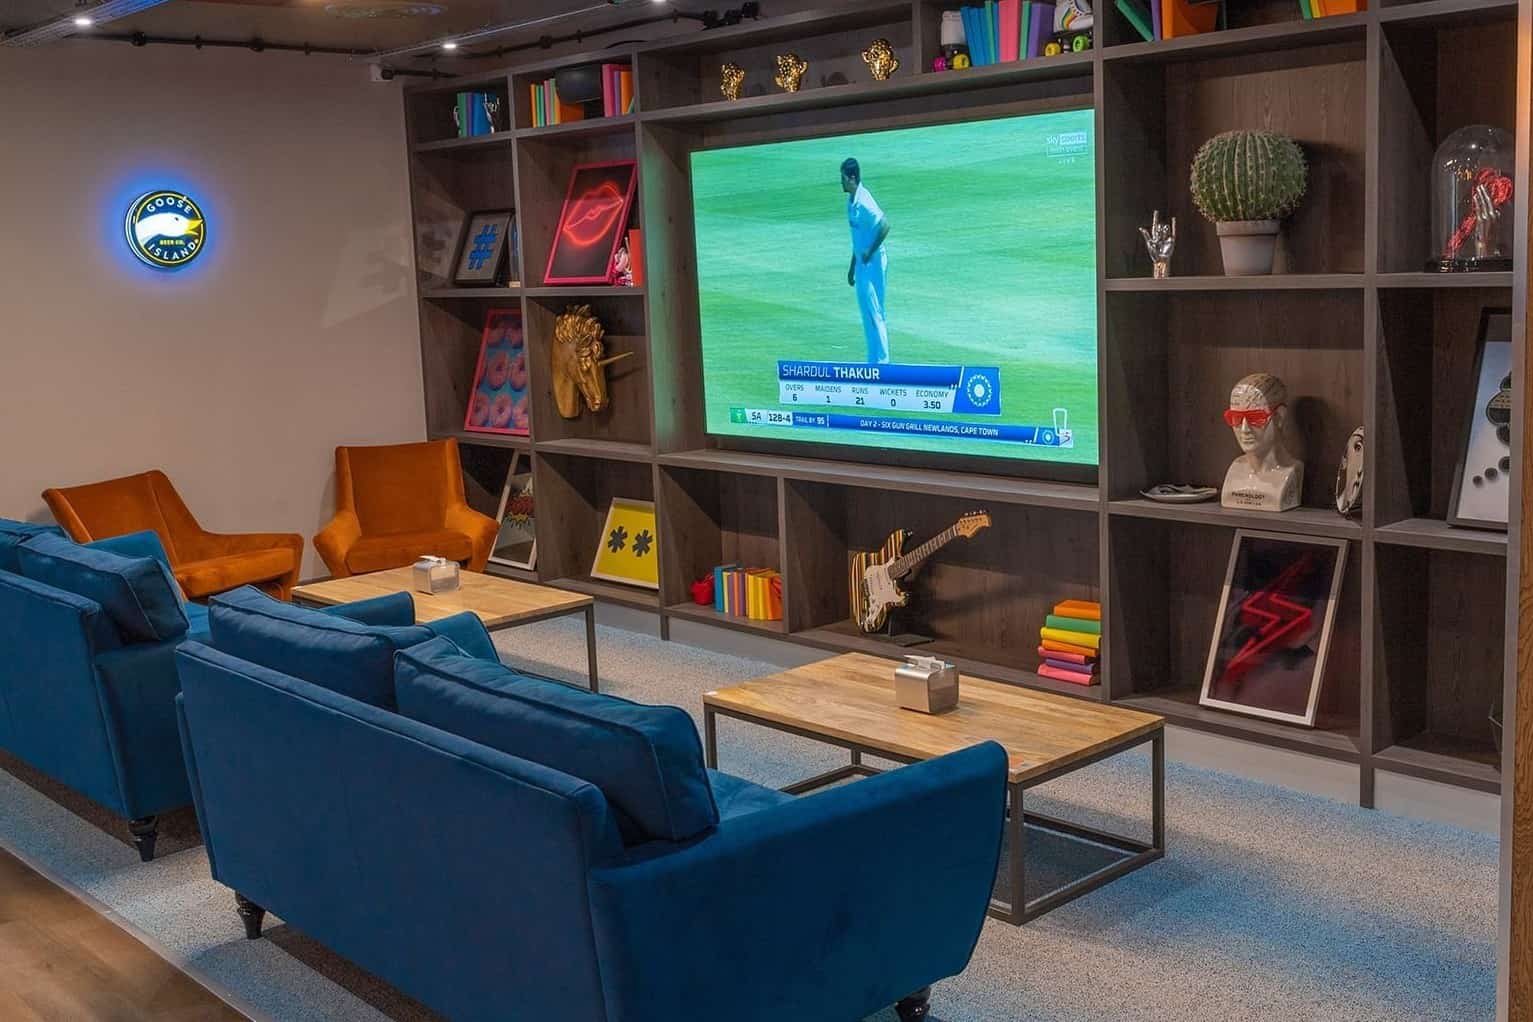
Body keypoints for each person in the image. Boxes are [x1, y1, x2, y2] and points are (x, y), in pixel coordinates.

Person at [841, 158, 891, 364]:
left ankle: (883, 363)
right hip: (862, 265)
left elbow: (885, 225)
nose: (841, 182)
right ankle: (873, 361)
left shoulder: (864, 201)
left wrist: (870, 252)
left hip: (874, 263)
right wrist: (852, 267)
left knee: (876, 312)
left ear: (852, 178)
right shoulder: (851, 203)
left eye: (843, 178)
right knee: (866, 313)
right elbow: (858, 238)